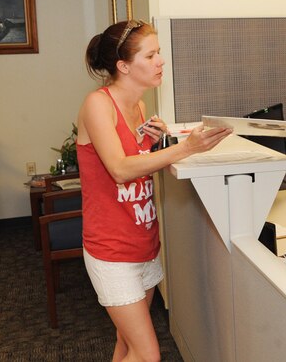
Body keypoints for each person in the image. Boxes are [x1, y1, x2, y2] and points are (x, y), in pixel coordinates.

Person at [77, 20, 231, 361]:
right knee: (148, 354)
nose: (161, 60)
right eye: (151, 55)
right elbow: (118, 170)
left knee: (127, 344)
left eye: (159, 52)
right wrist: (186, 148)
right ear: (124, 66)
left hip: (143, 242)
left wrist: (155, 141)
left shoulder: (140, 108)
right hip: (111, 250)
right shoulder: (98, 105)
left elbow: (139, 163)